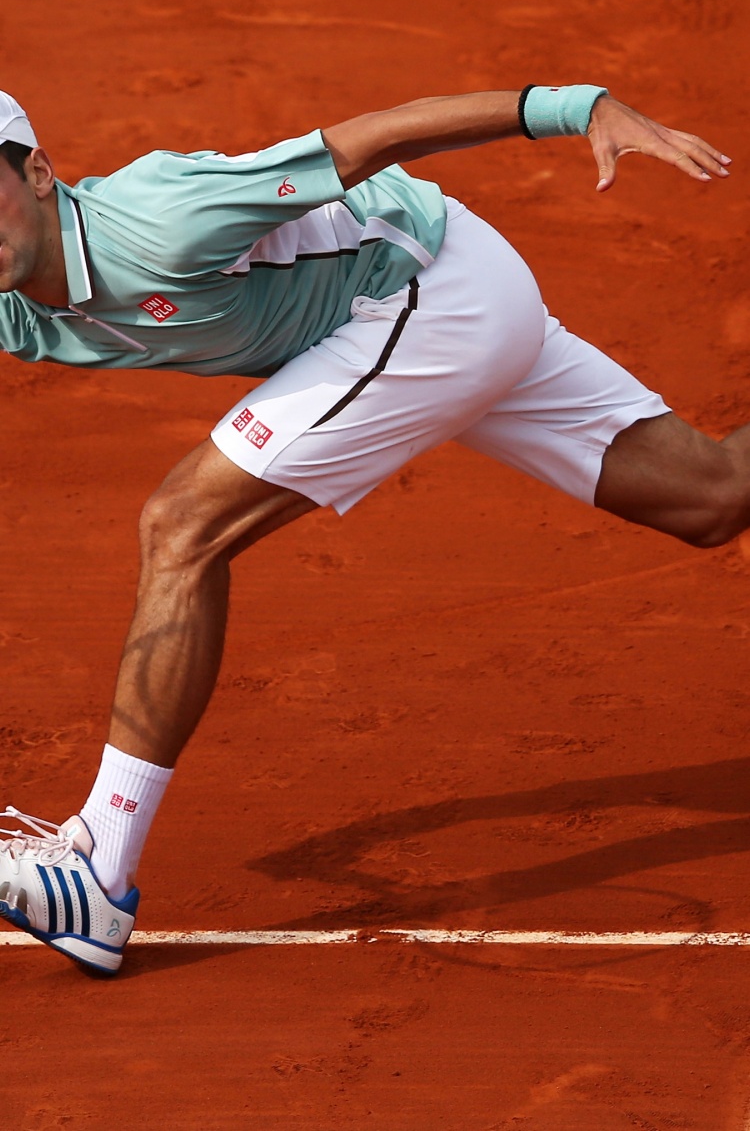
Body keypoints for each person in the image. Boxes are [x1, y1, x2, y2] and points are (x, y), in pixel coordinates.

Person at [0, 82, 736, 974]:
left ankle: (96, 870)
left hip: (428, 294)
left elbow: (366, 142)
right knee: (712, 496)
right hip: (437, 292)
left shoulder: (160, 218)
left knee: (183, 527)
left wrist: (577, 109)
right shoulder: (17, 299)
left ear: (39, 171)